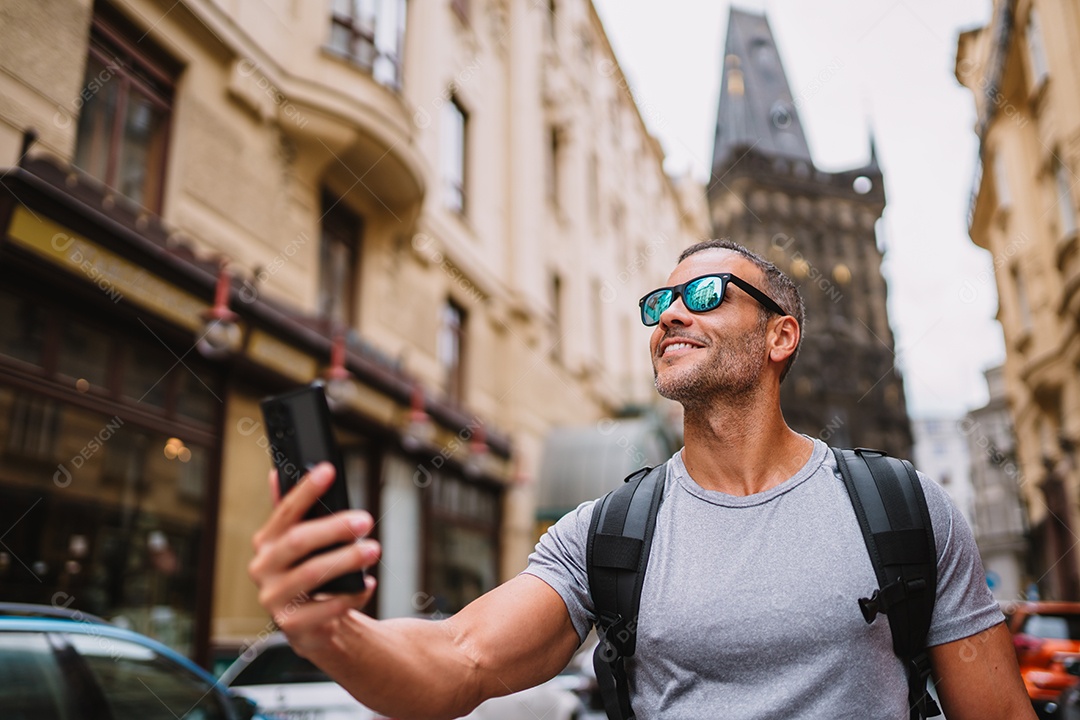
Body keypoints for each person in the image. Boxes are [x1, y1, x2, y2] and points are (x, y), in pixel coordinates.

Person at [249, 239, 1036, 719]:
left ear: (780, 336)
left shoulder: (901, 508)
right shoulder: (608, 532)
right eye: (659, 302)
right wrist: (332, 633)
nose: (669, 315)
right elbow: (460, 659)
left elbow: (997, 713)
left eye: (702, 296)